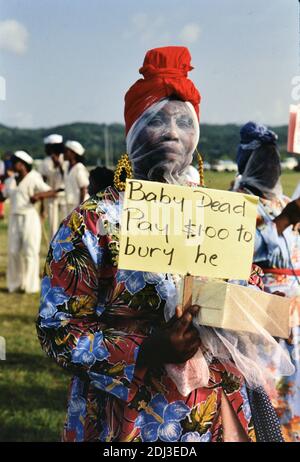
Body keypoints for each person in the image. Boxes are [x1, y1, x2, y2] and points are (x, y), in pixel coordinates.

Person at [37, 47, 290, 442]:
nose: (173, 131)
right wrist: (147, 348)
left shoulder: (218, 215)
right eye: (157, 119)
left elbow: (250, 285)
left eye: (184, 121)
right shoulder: (94, 221)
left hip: (214, 414)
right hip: (127, 419)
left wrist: (269, 313)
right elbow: (58, 330)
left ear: (197, 135)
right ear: (134, 130)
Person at [234, 121, 300, 442]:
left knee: (293, 399)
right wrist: (285, 220)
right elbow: (241, 250)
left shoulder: (282, 200)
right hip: (264, 323)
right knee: (268, 401)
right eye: (264, 160)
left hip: (294, 321)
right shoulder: (239, 205)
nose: (270, 167)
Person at [0, 151, 58, 293]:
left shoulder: (34, 178)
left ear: (23, 164)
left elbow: (52, 192)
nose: (13, 164)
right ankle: (14, 284)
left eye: (15, 162)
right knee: (13, 251)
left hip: (30, 218)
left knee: (30, 252)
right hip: (14, 218)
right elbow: (2, 196)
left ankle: (30, 286)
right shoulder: (10, 181)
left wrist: (38, 195)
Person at [40, 134, 67, 238]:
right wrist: (42, 205)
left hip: (64, 197)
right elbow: (42, 183)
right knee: (53, 226)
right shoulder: (45, 162)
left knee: (66, 224)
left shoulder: (66, 159)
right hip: (51, 197)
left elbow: (67, 176)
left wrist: (59, 165)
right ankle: (54, 250)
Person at [63, 140, 89, 215]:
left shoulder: (79, 168)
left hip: (79, 205)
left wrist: (80, 208)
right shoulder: (67, 166)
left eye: (66, 151)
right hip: (70, 204)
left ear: (73, 153)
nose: (64, 153)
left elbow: (83, 188)